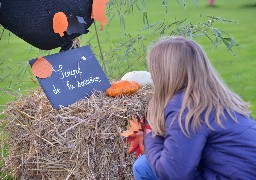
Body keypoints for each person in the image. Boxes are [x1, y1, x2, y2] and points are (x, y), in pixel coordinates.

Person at [133, 36, 256, 179]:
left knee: (143, 168)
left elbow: (173, 174)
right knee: (145, 165)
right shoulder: (219, 98)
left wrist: (150, 136)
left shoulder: (185, 107)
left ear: (165, 75)